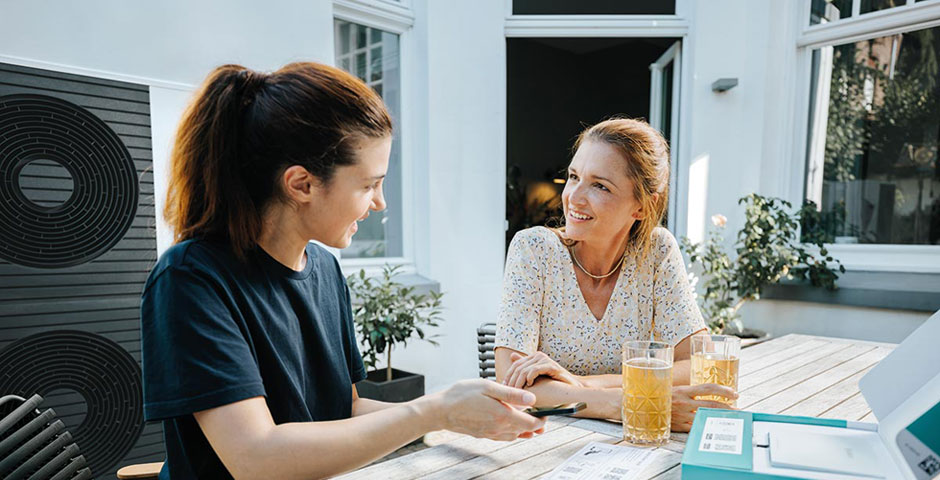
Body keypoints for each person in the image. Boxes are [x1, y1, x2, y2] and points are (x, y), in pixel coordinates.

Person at [141, 62, 544, 480]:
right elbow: (255, 458)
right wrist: (432, 412)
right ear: (301, 185)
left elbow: (346, 409)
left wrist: (455, 418)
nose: (380, 203)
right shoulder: (191, 278)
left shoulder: (325, 270)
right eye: (369, 185)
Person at [494, 118, 736, 433]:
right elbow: (512, 388)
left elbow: (697, 368)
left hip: (635, 445)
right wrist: (628, 402)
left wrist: (580, 384)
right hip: (542, 446)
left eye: (600, 186)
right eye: (574, 176)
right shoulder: (534, 250)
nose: (574, 197)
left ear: (641, 206)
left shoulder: (656, 252)